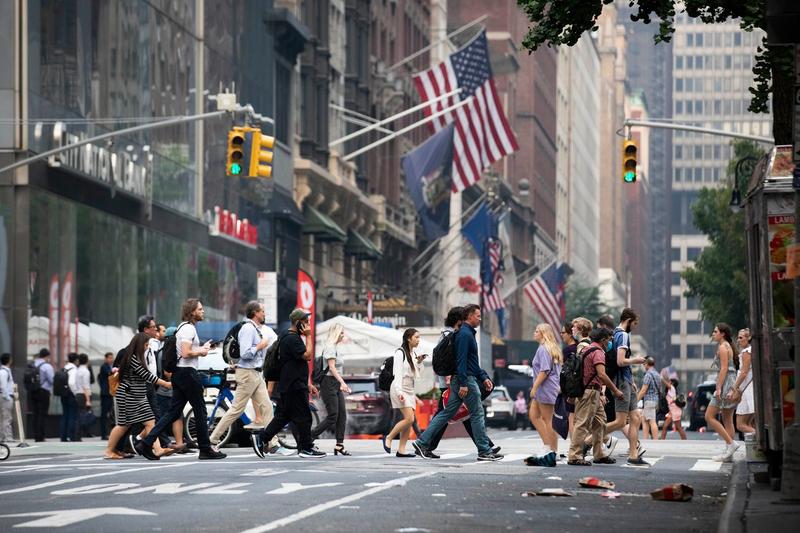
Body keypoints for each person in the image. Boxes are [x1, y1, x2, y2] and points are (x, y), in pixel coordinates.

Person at [135, 298, 226, 460]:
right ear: (192, 312)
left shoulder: (183, 328)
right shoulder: (189, 329)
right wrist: (201, 352)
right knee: (200, 411)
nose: (202, 311)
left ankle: (146, 443)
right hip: (188, 374)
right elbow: (185, 353)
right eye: (200, 309)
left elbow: (184, 351)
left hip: (180, 374)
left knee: (173, 412)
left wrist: (202, 348)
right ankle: (205, 449)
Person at [412, 304, 503, 461]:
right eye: (477, 316)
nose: (480, 319)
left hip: (461, 379)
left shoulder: (465, 334)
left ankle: (422, 442)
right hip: (465, 379)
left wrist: (483, 377)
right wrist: (463, 383)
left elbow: (471, 361)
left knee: (447, 413)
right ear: (467, 317)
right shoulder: (464, 335)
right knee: (476, 413)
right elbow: (461, 361)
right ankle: (484, 450)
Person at [251, 308, 326, 459]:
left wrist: (308, 384)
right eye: (305, 322)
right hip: (294, 385)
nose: (308, 325)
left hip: (291, 384)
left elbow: (297, 365)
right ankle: (305, 448)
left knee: (283, 416)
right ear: (298, 323)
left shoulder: (288, 336)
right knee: (305, 417)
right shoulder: (292, 338)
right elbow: (307, 355)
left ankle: (262, 438)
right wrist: (309, 336)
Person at [211, 301, 280, 451]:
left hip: (255, 373)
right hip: (247, 373)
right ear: (255, 313)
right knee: (236, 409)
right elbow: (245, 354)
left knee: (267, 407)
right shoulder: (248, 329)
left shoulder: (255, 329)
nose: (264, 314)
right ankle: (212, 440)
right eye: (262, 311)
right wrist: (260, 346)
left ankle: (272, 442)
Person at [104, 333, 174, 460]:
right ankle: (109, 451)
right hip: (128, 395)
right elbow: (147, 375)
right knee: (123, 425)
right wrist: (165, 384)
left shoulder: (135, 357)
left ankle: (156, 449)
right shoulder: (132, 359)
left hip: (137, 395)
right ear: (139, 344)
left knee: (149, 421)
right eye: (146, 345)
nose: (147, 347)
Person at [567, 328, 624, 466]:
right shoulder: (598, 352)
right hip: (590, 392)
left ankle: (599, 454)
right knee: (582, 424)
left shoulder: (587, 349)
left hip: (593, 392)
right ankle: (574, 456)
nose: (610, 343)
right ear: (603, 340)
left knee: (600, 422)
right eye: (609, 340)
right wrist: (615, 391)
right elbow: (602, 374)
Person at [605, 308, 648, 466]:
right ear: (628, 320)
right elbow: (621, 361)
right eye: (634, 323)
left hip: (626, 380)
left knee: (636, 418)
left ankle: (633, 455)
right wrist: (636, 360)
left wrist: (632, 380)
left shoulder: (617, 333)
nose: (635, 326)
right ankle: (589, 440)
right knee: (620, 422)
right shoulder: (622, 335)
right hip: (621, 381)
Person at [383, 328, 425, 457]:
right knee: (410, 418)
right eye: (416, 337)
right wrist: (399, 391)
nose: (418, 340)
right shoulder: (400, 353)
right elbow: (397, 374)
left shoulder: (413, 354)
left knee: (409, 420)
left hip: (410, 389)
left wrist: (419, 362)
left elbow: (417, 374)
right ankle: (389, 437)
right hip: (399, 387)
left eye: (419, 337)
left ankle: (401, 449)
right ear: (408, 338)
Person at [311, 323, 352, 455]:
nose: (342, 335)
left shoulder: (336, 347)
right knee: (333, 415)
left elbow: (337, 369)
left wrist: (339, 383)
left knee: (342, 415)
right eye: (341, 333)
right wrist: (343, 382)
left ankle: (339, 445)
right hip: (328, 383)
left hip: (334, 383)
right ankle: (309, 436)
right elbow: (332, 367)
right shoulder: (329, 346)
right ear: (335, 333)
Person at [525, 323, 563, 467]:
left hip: (545, 388)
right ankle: (547, 445)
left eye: (536, 331)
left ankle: (552, 450)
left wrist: (534, 387)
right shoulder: (549, 348)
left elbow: (545, 370)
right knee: (533, 415)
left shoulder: (543, 349)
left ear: (543, 333)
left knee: (548, 420)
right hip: (545, 387)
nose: (534, 333)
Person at [707, 323, 741, 462]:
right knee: (727, 419)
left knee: (709, 416)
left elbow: (724, 369)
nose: (713, 334)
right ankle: (729, 451)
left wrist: (719, 388)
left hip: (726, 383)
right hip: (731, 382)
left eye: (715, 332)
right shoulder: (727, 345)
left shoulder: (723, 347)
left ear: (722, 333)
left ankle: (731, 444)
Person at [154, 326, 188, 452]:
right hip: (165, 391)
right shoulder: (165, 351)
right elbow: (167, 372)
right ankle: (153, 442)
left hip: (172, 390)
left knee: (177, 416)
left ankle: (179, 444)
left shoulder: (170, 350)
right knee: (164, 419)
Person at [731, 328, 755, 435]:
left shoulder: (747, 352)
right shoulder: (751, 350)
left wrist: (734, 387)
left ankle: (761, 440)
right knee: (749, 424)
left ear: (749, 338)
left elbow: (744, 372)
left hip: (746, 391)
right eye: (738, 337)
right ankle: (754, 448)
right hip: (749, 389)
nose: (738, 340)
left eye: (741, 337)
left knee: (740, 425)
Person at [30, 348, 54, 441]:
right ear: (47, 356)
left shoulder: (33, 364)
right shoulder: (47, 366)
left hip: (33, 391)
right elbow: (52, 380)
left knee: (35, 414)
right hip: (43, 391)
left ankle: (35, 435)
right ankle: (41, 436)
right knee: (42, 414)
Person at [560, 322, 578, 435]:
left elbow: (564, 372)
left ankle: (574, 447)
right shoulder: (580, 347)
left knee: (572, 418)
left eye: (563, 332)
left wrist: (562, 388)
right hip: (581, 387)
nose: (561, 335)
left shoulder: (567, 351)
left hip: (571, 388)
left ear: (570, 334)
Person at [637, 357, 661, 440]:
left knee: (652, 421)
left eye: (644, 364)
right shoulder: (657, 374)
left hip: (649, 400)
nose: (644, 366)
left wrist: (636, 400)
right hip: (655, 400)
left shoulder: (648, 375)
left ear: (647, 364)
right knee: (644, 420)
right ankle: (645, 439)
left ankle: (655, 440)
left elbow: (643, 390)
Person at [60, 353, 81, 442]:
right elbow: (71, 383)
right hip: (70, 394)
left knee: (65, 415)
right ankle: (71, 436)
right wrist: (76, 393)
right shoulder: (74, 369)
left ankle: (63, 436)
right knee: (72, 416)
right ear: (76, 360)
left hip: (63, 394)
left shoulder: (65, 367)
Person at [75, 353, 93, 439]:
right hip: (84, 395)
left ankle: (77, 435)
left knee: (79, 415)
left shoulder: (78, 370)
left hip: (78, 394)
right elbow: (86, 386)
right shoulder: (86, 371)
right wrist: (88, 400)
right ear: (87, 361)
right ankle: (78, 435)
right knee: (83, 415)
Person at [98, 352, 114, 440]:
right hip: (105, 394)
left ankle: (109, 433)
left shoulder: (110, 366)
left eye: (112, 358)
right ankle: (103, 434)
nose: (111, 360)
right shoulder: (104, 367)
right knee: (104, 415)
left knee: (110, 415)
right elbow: (110, 373)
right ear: (106, 358)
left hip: (110, 393)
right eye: (110, 358)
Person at [0, 353, 14, 442]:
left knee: (2, 418)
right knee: (7, 418)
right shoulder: (4, 372)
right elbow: (3, 386)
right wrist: (8, 397)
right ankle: (8, 437)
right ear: (9, 360)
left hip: (3, 396)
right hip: (5, 397)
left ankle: (2, 437)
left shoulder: (4, 371)